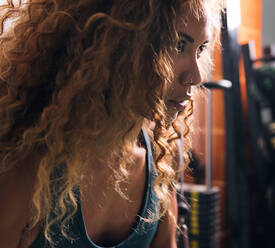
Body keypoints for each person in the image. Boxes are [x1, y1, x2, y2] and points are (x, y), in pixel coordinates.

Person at [0, 0, 223, 247]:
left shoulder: (158, 167)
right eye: (177, 45)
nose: (196, 76)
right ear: (115, 44)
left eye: (200, 49)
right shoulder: (28, 170)